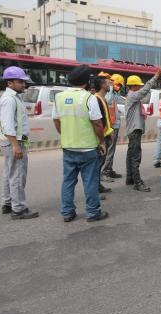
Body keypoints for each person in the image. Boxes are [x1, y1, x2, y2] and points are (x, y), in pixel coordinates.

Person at [53, 65, 109, 222]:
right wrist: (102, 142)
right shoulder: (89, 98)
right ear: (87, 81)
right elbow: (97, 124)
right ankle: (92, 213)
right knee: (90, 181)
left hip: (68, 147)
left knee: (68, 181)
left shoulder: (59, 97)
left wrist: (66, 135)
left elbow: (56, 121)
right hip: (88, 148)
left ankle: (67, 213)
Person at [0, 66, 39, 220]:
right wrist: (15, 145)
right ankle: (19, 209)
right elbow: (8, 126)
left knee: (9, 173)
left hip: (12, 141)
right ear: (10, 83)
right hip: (14, 141)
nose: (24, 85)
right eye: (20, 82)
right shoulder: (9, 100)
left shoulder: (14, 97)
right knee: (17, 175)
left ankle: (7, 203)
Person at [125, 69, 161, 192]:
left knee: (131, 155)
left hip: (133, 130)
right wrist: (156, 76)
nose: (140, 87)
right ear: (134, 86)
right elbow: (145, 90)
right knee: (136, 157)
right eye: (138, 85)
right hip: (134, 130)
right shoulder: (133, 95)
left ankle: (130, 178)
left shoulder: (132, 97)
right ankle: (137, 182)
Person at [93, 75, 114, 194]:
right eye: (107, 83)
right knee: (97, 164)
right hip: (100, 139)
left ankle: (97, 186)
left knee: (100, 164)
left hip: (105, 135)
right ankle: (95, 189)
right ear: (102, 85)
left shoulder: (102, 98)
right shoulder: (96, 99)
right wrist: (101, 140)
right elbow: (98, 122)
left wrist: (109, 132)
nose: (109, 85)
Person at [102, 73, 125, 179]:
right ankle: (105, 171)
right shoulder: (109, 94)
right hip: (110, 126)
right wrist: (111, 87)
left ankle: (109, 169)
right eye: (118, 85)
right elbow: (108, 101)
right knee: (109, 149)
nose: (119, 87)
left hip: (114, 124)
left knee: (112, 149)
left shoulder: (115, 94)